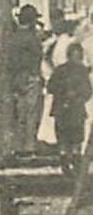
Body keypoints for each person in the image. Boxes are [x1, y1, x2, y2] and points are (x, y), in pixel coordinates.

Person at [3, 5, 46, 153]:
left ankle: (18, 145)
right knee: (32, 112)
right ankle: (29, 145)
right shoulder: (31, 38)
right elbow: (37, 57)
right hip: (30, 76)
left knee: (20, 112)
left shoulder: (13, 38)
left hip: (16, 77)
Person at [46, 41, 92, 177]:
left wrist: (75, 96)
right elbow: (51, 87)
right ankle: (67, 163)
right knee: (67, 138)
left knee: (73, 138)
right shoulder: (64, 71)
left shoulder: (77, 71)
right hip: (66, 110)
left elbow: (88, 91)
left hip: (73, 110)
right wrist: (67, 95)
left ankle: (73, 163)